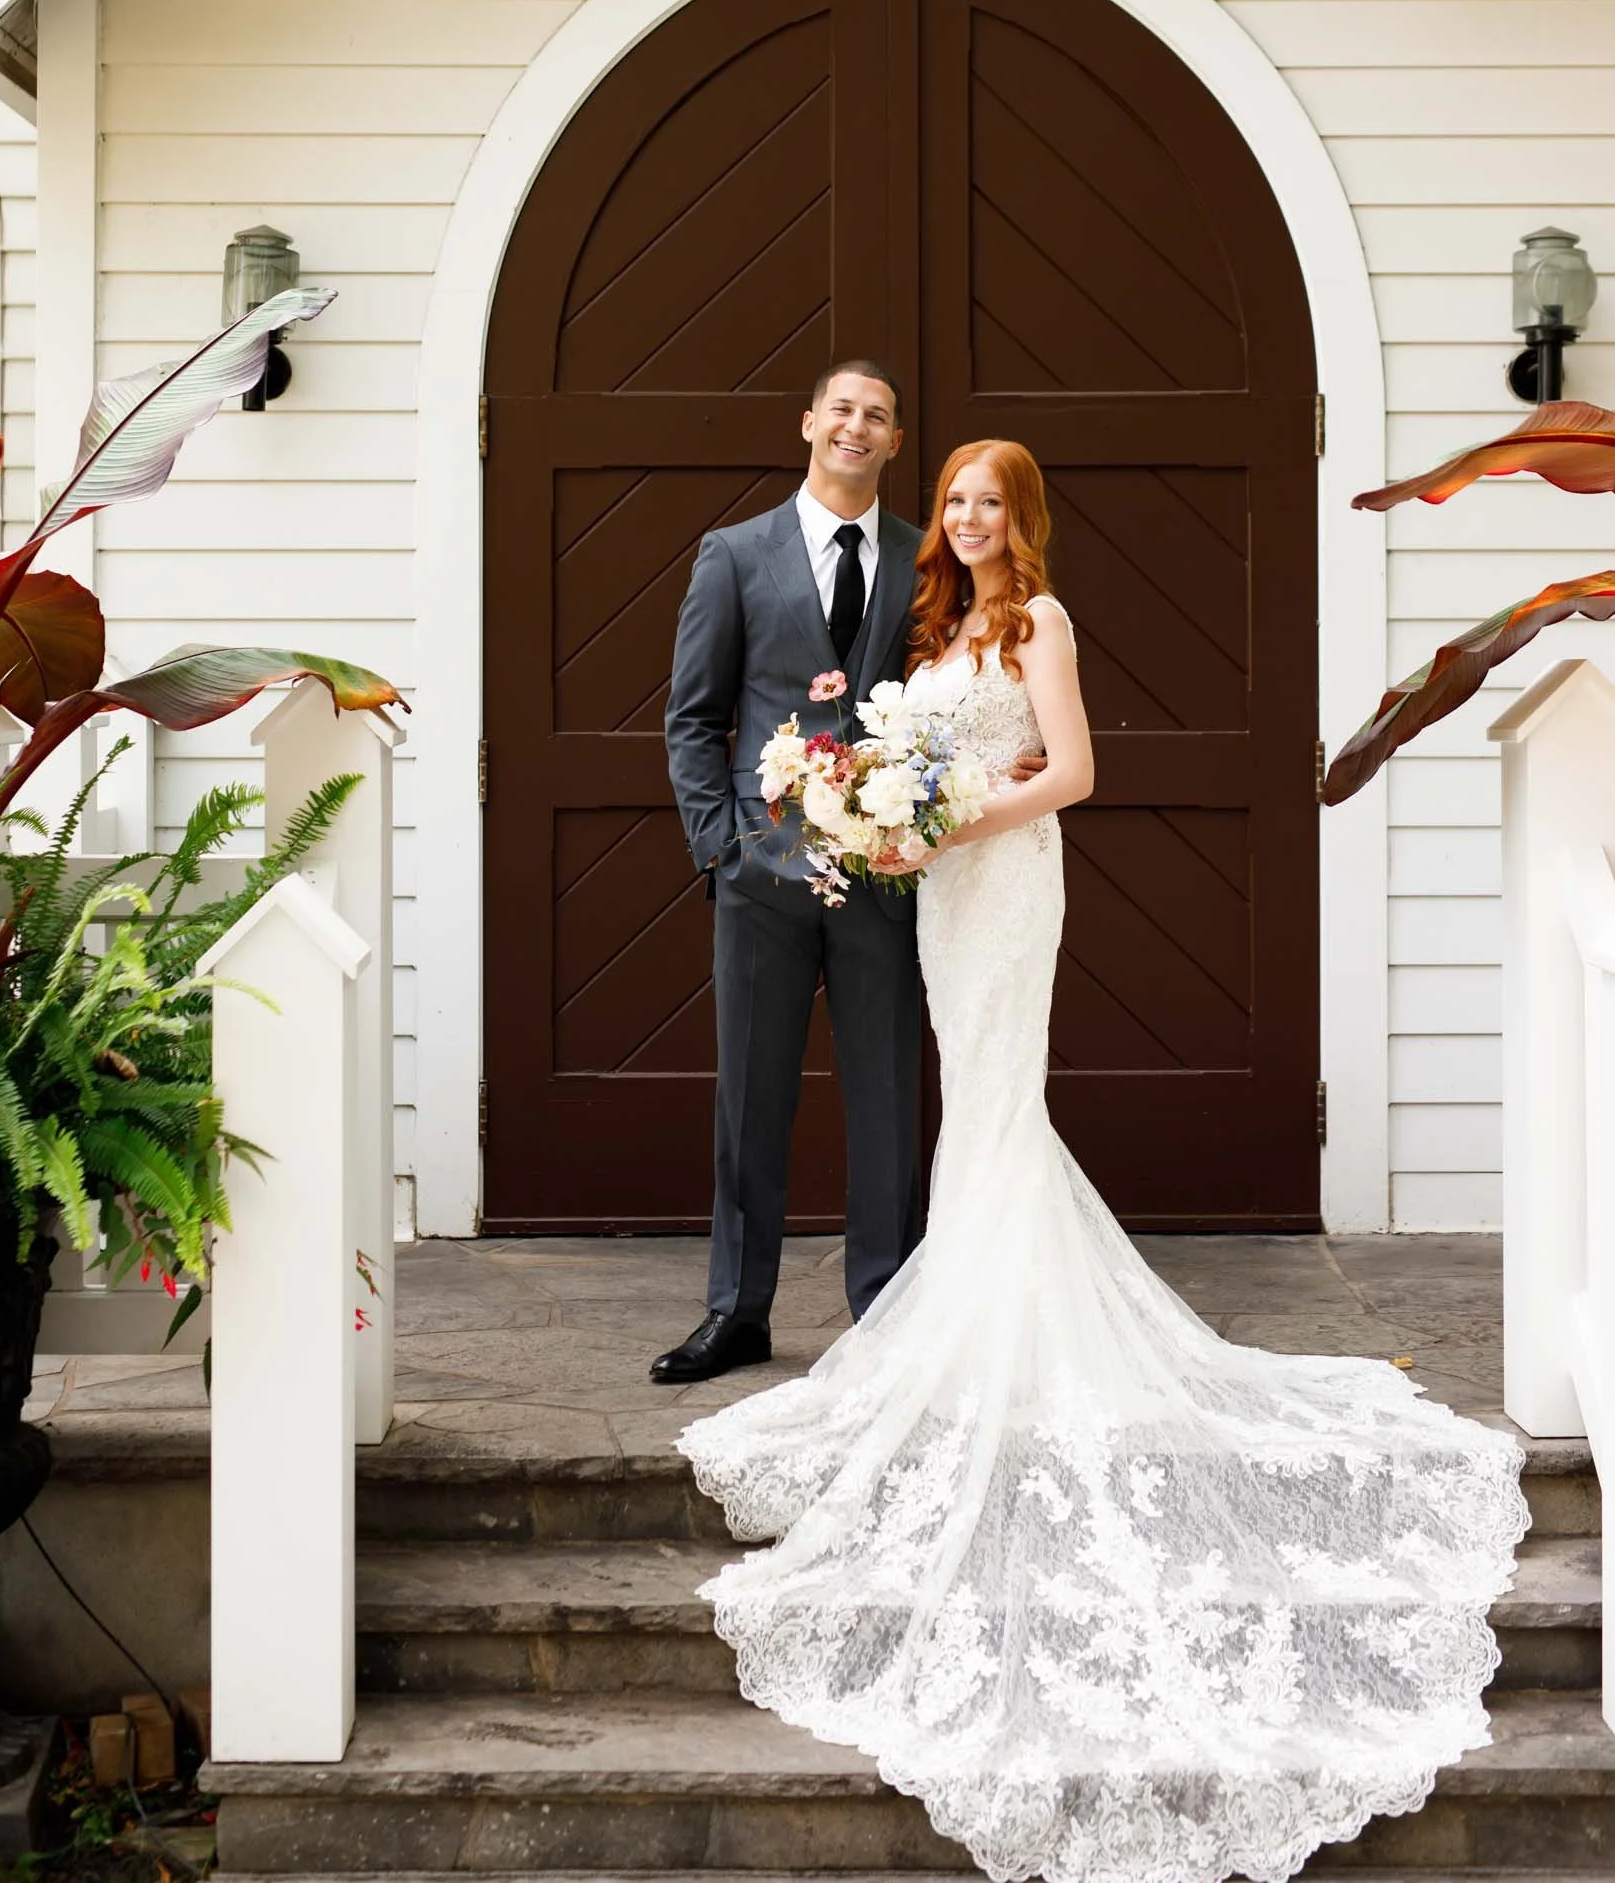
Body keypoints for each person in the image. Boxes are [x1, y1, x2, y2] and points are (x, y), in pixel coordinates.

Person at [679, 438, 1526, 1883]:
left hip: (1003, 883)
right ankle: (969, 1325)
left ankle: (1000, 1340)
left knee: (1000, 1111)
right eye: (949, 502)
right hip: (944, 894)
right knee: (979, 1120)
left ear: (1023, 517)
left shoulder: (1041, 623)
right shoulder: (937, 626)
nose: (962, 519)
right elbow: (912, 750)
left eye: (984, 502)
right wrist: (889, 810)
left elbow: (1072, 770)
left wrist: (953, 816)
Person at [654, 363, 924, 1385]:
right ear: (809, 422)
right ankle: (735, 1310)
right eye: (842, 409)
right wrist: (719, 845)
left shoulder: (917, 557)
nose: (856, 427)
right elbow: (691, 716)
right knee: (750, 1095)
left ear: (893, 442)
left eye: (878, 417)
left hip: (883, 871)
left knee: (886, 1092)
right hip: (759, 871)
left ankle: (888, 1307)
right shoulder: (732, 555)